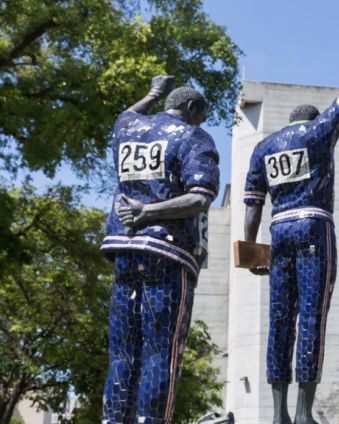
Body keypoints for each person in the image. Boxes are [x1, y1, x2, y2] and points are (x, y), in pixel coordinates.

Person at [243, 45, 339, 424]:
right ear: (311, 120)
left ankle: (277, 413)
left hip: (278, 228)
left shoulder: (264, 147)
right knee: (312, 317)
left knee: (279, 319)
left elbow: (252, 202)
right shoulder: (319, 132)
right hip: (314, 226)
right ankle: (303, 413)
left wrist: (252, 250)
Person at [100, 76, 220, 424]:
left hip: (124, 247)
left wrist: (153, 91)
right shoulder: (193, 137)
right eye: (200, 115)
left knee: (121, 352)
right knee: (160, 352)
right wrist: (149, 211)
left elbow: (125, 113)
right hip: (166, 251)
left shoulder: (129, 129)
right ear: (192, 109)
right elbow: (200, 196)